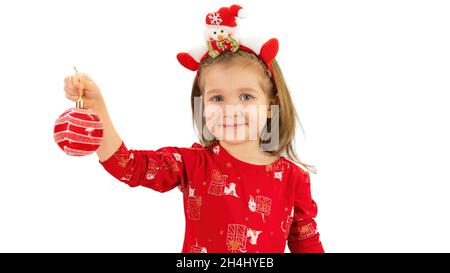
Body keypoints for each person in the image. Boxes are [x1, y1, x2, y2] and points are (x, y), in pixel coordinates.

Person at [63, 4, 324, 253]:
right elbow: (127, 165)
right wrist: (96, 106)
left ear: (270, 105)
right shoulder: (192, 164)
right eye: (217, 98)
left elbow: (307, 242)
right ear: (202, 106)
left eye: (246, 97)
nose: (230, 109)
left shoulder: (294, 179)